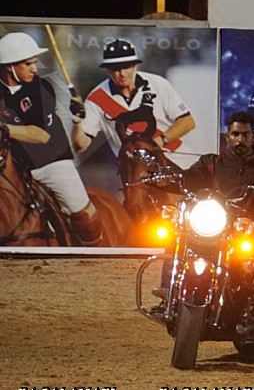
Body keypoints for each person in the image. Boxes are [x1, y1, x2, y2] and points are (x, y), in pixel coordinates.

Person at [178, 111, 254, 312]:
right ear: (228, 136)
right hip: (218, 222)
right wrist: (167, 180)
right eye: (235, 134)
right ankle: (170, 292)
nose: (240, 139)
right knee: (178, 234)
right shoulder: (211, 163)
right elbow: (187, 178)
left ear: (253, 136)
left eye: (245, 135)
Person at [0, 32, 105, 245]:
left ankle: (96, 256)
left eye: (35, 63)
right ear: (10, 66)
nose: (35, 69)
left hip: (51, 162)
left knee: (85, 216)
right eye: (28, 64)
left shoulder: (41, 88)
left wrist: (3, 129)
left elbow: (40, 135)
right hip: (14, 166)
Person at [73, 39, 196, 169]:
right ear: (107, 70)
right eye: (115, 69)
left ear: (134, 66)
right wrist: (76, 122)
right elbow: (80, 145)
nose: (122, 74)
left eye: (126, 67)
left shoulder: (158, 84)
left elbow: (188, 122)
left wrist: (161, 140)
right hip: (136, 171)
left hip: (179, 161)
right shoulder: (96, 98)